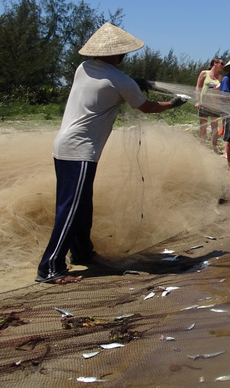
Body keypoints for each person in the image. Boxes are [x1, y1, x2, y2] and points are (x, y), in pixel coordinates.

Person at [36, 23, 187, 284]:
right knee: (71, 208)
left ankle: (82, 252)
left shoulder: (83, 68)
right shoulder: (120, 80)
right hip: (80, 151)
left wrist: (134, 84)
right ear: (119, 55)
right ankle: (50, 267)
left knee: (82, 205)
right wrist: (173, 103)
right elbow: (147, 107)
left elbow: (107, 87)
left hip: (64, 147)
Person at [194, 57, 223, 153]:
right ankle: (201, 145)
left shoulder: (221, 77)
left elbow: (222, 91)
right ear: (215, 63)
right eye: (221, 63)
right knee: (203, 126)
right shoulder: (204, 73)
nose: (223, 66)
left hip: (215, 105)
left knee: (214, 126)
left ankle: (214, 146)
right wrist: (197, 101)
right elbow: (198, 87)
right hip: (204, 103)